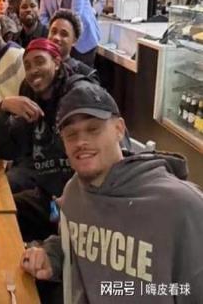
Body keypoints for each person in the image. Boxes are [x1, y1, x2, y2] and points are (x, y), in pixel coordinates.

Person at [21, 83, 203, 304]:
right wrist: (52, 255)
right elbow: (75, 243)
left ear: (119, 129)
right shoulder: (73, 192)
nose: (81, 142)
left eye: (93, 129)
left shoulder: (183, 206)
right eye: (71, 134)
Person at [0, 38, 80, 242]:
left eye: (40, 61)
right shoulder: (30, 94)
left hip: (78, 198)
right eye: (27, 65)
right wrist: (2, 109)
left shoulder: (78, 95)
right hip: (45, 194)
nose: (33, 70)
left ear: (57, 62)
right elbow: (2, 150)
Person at [48, 9, 98, 80]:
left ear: (74, 41)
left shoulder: (86, 75)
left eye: (64, 34)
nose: (56, 37)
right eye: (53, 31)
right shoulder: (38, 66)